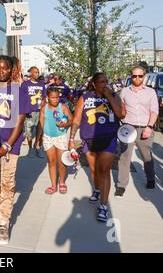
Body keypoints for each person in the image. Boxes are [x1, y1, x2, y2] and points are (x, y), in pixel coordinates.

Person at [0, 55, 31, 245]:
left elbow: (20, 122)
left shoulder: (19, 91)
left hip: (10, 144)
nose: (2, 71)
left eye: (6, 68)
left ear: (11, 69)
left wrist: (7, 146)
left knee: (7, 182)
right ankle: (0, 200)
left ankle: (4, 222)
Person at [69, 72, 125, 222]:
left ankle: (103, 206)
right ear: (94, 83)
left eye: (106, 81)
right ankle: (97, 189)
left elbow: (121, 114)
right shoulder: (85, 98)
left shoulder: (114, 96)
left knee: (105, 171)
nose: (104, 84)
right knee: (95, 171)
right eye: (101, 81)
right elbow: (76, 119)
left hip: (109, 138)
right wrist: (71, 138)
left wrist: (110, 96)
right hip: (89, 140)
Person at [115, 66, 159, 196]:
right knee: (124, 157)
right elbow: (120, 109)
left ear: (144, 76)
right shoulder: (124, 91)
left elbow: (154, 111)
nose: (137, 78)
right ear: (131, 76)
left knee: (146, 156)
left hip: (144, 128)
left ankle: (151, 178)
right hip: (128, 128)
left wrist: (149, 127)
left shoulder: (150, 92)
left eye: (140, 76)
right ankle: (121, 185)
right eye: (134, 76)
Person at [39, 88, 73, 194]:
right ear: (48, 97)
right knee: (51, 162)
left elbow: (71, 120)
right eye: (52, 98)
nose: (55, 100)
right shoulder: (44, 108)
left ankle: (62, 182)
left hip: (60, 137)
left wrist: (65, 124)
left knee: (61, 162)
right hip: (48, 137)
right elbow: (41, 124)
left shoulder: (62, 107)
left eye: (57, 97)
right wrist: (39, 138)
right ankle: (53, 185)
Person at [21, 66, 46, 158]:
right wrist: (23, 110)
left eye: (38, 72)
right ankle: (30, 149)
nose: (37, 74)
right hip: (29, 112)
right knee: (29, 132)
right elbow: (22, 99)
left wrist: (43, 109)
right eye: (35, 72)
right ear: (30, 73)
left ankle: (38, 146)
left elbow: (44, 98)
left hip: (39, 111)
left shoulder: (42, 85)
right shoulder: (25, 84)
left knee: (41, 131)